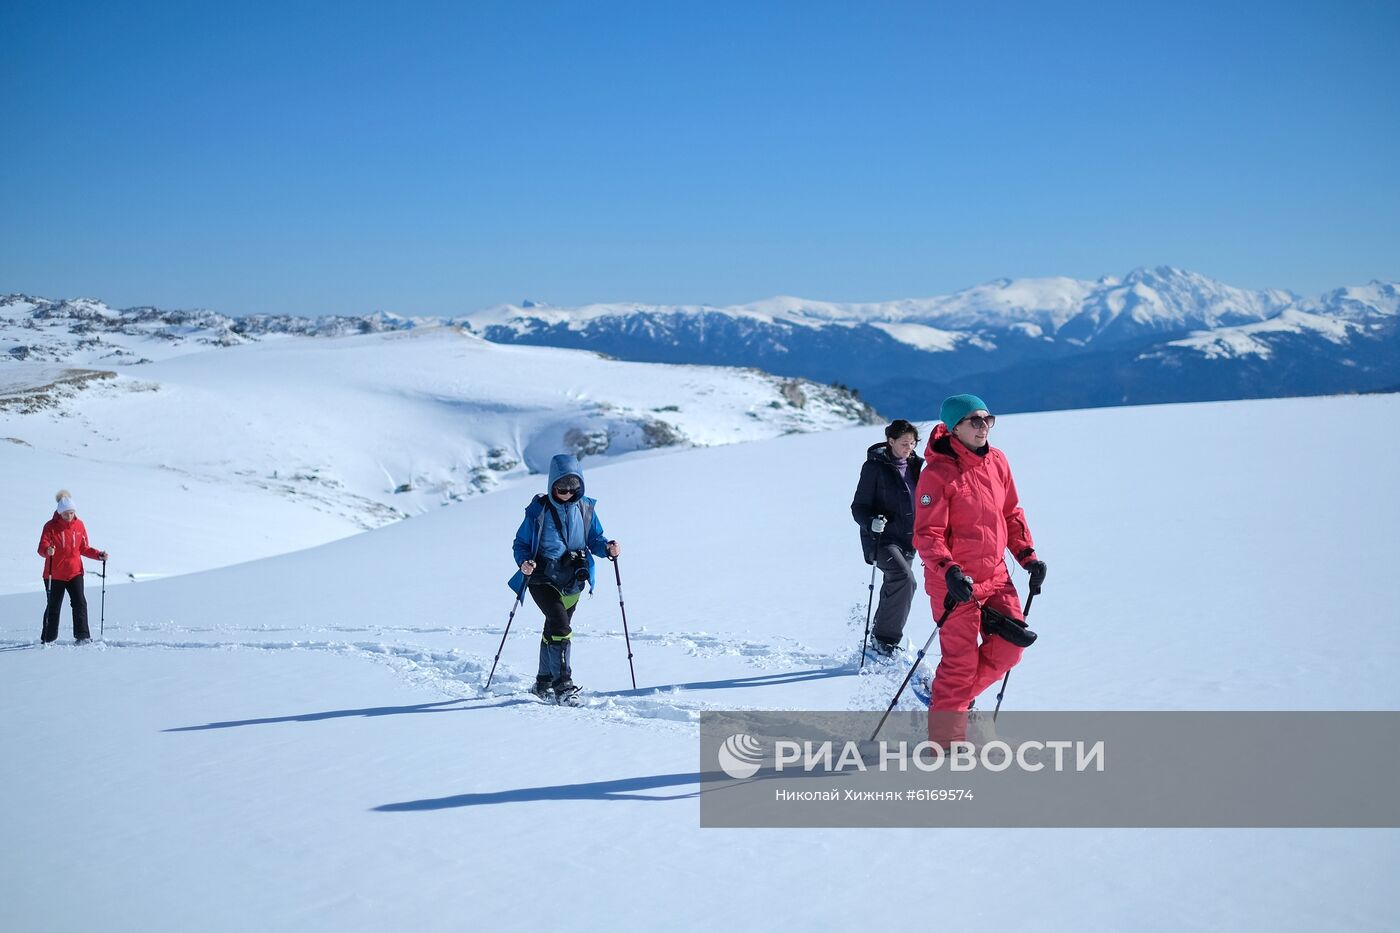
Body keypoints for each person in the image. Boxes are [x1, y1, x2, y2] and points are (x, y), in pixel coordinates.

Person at [913, 395, 1047, 747]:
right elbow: (927, 534)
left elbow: (1011, 513)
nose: (983, 426)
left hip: (997, 577)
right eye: (974, 421)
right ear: (953, 427)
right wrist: (949, 571)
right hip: (955, 584)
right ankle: (946, 745)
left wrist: (1027, 557)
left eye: (988, 419)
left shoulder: (998, 461)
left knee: (1011, 648)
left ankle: (947, 699)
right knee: (959, 663)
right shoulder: (937, 474)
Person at [508, 454, 620, 705]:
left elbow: (595, 540)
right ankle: (563, 686)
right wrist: (524, 562)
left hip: (573, 578)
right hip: (541, 577)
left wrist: (608, 548)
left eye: (573, 487)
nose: (567, 493)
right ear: (551, 485)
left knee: (553, 630)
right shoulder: (538, 511)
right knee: (561, 627)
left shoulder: (586, 509)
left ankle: (543, 682)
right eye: (562, 487)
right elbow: (521, 543)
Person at [850, 419, 924, 656]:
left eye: (912, 443)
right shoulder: (874, 467)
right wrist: (872, 522)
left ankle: (879, 636)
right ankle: (885, 640)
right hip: (881, 540)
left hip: (909, 539)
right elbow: (858, 506)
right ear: (890, 441)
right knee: (905, 580)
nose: (909, 448)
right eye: (904, 443)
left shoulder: (916, 466)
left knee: (896, 585)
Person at [38, 489, 108, 644]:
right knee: (54, 606)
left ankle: (82, 636)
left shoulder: (79, 525)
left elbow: (84, 548)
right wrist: (47, 550)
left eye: (71, 513)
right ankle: (48, 638)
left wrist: (98, 555)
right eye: (66, 513)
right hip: (54, 574)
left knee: (80, 602)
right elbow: (41, 547)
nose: (69, 516)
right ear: (60, 512)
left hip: (75, 572)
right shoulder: (50, 527)